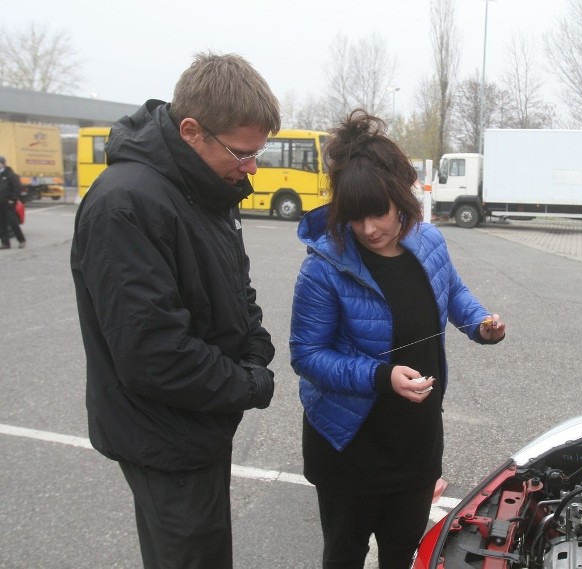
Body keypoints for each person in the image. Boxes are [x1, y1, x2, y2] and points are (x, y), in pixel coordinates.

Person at [69, 52, 279, 569]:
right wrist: (249, 384)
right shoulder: (126, 205)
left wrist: (254, 341)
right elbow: (154, 354)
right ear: (192, 131)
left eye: (258, 153)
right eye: (242, 153)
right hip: (164, 434)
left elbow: (234, 284)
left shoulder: (206, 187)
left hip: (201, 418)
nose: (251, 167)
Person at [289, 109, 507, 569]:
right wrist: (381, 376)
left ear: (400, 199)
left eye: (379, 213)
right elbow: (306, 355)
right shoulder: (323, 269)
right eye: (355, 216)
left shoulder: (427, 242)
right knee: (345, 555)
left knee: (403, 552)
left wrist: (480, 324)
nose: (369, 228)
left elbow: (452, 291)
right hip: (349, 443)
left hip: (416, 439)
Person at [0, 156, 26, 249]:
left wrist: (13, 199)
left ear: (3, 164)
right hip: (0, 204)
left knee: (13, 222)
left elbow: (17, 188)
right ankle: (5, 243)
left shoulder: (10, 175)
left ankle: (21, 240)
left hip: (8, 203)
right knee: (1, 224)